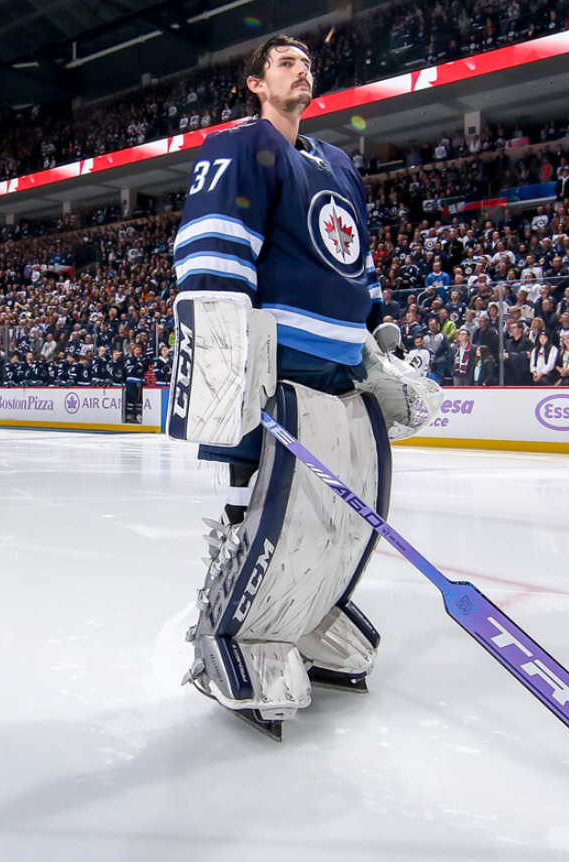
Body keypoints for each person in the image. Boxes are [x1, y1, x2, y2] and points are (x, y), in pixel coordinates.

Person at [168, 35, 440, 737]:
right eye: (286, 63)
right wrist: (226, 357)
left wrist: (384, 347)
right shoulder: (243, 146)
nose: (302, 70)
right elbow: (214, 244)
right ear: (256, 83)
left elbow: (360, 265)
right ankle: (238, 631)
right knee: (262, 511)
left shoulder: (339, 163)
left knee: (342, 513)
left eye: (307, 63)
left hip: (340, 371)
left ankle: (310, 610)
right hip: (275, 368)